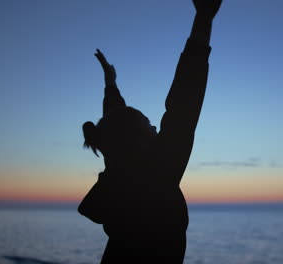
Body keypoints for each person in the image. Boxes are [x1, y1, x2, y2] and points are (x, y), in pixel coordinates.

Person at [77, 0, 222, 263]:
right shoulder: (158, 175)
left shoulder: (118, 174)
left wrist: (111, 83)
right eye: (148, 125)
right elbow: (184, 101)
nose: (156, 127)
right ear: (138, 143)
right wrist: (204, 18)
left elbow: (115, 129)